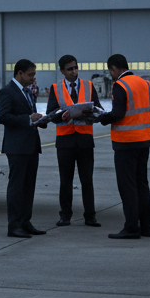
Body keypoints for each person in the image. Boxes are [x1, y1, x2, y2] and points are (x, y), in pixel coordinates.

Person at [97, 54, 150, 239]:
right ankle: (146, 227)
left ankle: (131, 227)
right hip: (144, 139)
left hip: (126, 141)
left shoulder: (120, 85)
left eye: (110, 71)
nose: (111, 75)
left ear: (114, 68)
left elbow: (119, 113)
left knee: (127, 186)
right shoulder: (144, 83)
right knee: (141, 184)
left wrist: (102, 118)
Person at [46, 54, 103, 226]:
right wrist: (60, 116)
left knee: (87, 180)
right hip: (65, 140)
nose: (74, 71)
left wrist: (90, 113)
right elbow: (51, 114)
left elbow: (98, 108)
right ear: (62, 71)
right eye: (70, 69)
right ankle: (65, 215)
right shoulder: (56, 88)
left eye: (76, 67)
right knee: (66, 181)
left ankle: (90, 215)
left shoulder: (88, 85)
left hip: (85, 139)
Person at [0, 59, 48, 238]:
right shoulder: (7, 92)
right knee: (17, 187)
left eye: (34, 74)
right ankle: (14, 225)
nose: (33, 78)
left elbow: (30, 117)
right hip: (17, 147)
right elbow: (3, 117)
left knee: (29, 186)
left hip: (31, 145)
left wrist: (40, 121)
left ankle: (25, 221)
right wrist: (28, 119)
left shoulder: (28, 92)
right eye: (30, 74)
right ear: (19, 73)